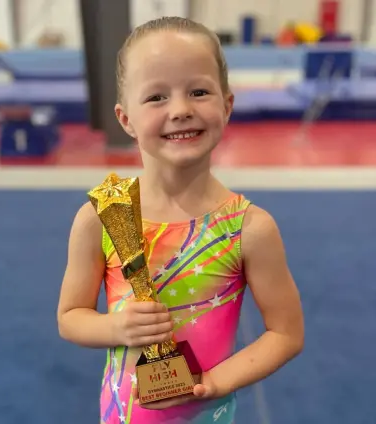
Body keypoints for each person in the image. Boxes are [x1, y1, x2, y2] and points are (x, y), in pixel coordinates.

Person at [57, 16, 304, 424]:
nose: (181, 110)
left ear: (226, 105)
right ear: (125, 119)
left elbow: (287, 333)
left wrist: (216, 382)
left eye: (199, 91)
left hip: (207, 413)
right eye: (156, 97)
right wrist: (116, 329)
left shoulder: (248, 228)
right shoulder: (102, 217)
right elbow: (70, 318)